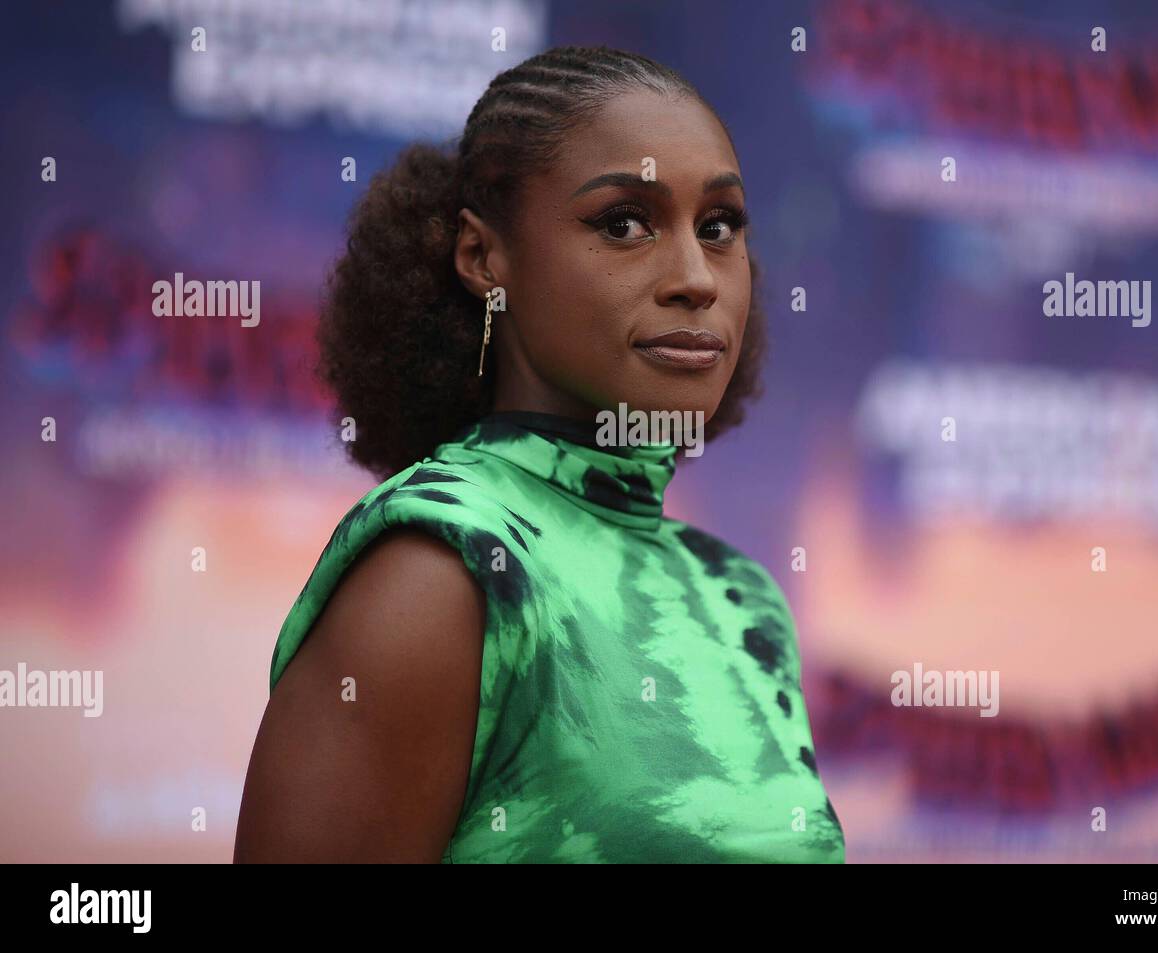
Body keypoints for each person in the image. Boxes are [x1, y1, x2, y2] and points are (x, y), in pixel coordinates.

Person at [234, 44, 845, 863]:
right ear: (485, 258)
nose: (697, 277)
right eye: (624, 223)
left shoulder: (741, 598)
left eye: (719, 227)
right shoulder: (445, 571)